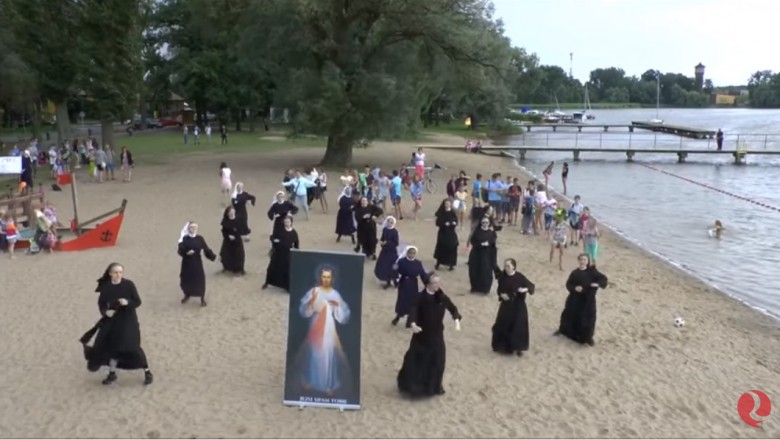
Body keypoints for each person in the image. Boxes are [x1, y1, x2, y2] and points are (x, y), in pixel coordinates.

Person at [85, 263, 153, 386]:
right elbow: (101, 304)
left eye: (121, 272)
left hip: (128, 320)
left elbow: (138, 302)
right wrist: (106, 312)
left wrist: (127, 302)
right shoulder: (106, 288)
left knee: (132, 346)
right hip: (112, 322)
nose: (119, 275)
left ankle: (147, 371)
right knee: (112, 347)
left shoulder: (129, 285)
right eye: (116, 272)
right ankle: (112, 374)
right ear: (110, 273)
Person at [290, 266, 353, 396]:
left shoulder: (335, 294)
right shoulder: (314, 291)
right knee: (315, 352)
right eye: (324, 277)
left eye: (328, 277)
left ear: (332, 279)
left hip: (329, 327)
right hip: (315, 325)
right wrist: (311, 302)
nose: (326, 279)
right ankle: (311, 380)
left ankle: (327, 384)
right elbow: (304, 311)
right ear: (320, 277)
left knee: (328, 352)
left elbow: (343, 315)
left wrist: (338, 306)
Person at [397, 274, 461, 398]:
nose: (437, 285)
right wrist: (413, 323)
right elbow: (413, 310)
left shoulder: (441, 296)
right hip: (422, 336)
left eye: (438, 282)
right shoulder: (420, 297)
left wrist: (456, 319)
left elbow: (452, 308)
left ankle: (434, 386)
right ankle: (414, 387)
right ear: (427, 284)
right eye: (434, 283)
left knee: (437, 361)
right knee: (417, 360)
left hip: (437, 334)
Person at [555, 253, 609, 346]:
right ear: (578, 261)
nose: (583, 261)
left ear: (587, 261)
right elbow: (568, 284)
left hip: (588, 299)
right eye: (581, 260)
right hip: (575, 298)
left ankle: (588, 338)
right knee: (569, 314)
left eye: (585, 260)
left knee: (588, 318)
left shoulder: (592, 271)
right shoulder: (575, 272)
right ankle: (564, 331)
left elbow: (603, 279)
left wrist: (597, 284)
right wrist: (575, 288)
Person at [491, 259, 535, 357]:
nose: (506, 268)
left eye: (508, 266)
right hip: (506, 305)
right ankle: (502, 346)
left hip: (518, 306)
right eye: (505, 266)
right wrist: (501, 295)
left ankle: (519, 348)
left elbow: (531, 286)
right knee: (502, 324)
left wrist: (524, 289)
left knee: (518, 326)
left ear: (513, 267)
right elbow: (499, 289)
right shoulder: (503, 277)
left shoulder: (520, 277)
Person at [177, 222, 217, 307]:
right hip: (187, 263)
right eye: (191, 227)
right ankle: (187, 294)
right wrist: (186, 253)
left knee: (200, 280)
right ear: (188, 229)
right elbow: (180, 250)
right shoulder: (185, 239)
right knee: (186, 279)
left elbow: (206, 249)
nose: (193, 229)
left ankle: (202, 298)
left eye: (195, 227)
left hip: (197, 262)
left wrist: (213, 257)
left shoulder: (200, 238)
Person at [393, 246, 429, 326]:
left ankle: (409, 320)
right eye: (410, 253)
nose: (411, 255)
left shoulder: (418, 263)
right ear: (407, 252)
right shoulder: (401, 261)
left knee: (412, 302)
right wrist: (396, 280)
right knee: (402, 301)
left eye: (413, 253)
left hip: (413, 284)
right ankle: (398, 317)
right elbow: (394, 270)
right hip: (404, 284)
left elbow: (422, 274)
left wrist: (427, 283)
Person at [262, 216, 300, 291]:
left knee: (287, 270)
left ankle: (287, 287)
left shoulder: (294, 232)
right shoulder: (280, 230)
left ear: (291, 222)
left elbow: (296, 243)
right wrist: (274, 240)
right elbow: (272, 237)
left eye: (288, 222)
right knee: (272, 268)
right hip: (278, 253)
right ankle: (268, 282)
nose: (287, 223)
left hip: (287, 254)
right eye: (285, 222)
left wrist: (295, 252)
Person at [468, 217, 498, 294]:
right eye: (483, 222)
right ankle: (475, 288)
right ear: (481, 223)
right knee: (475, 271)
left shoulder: (491, 233)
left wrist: (488, 244)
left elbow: (493, 243)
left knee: (486, 272)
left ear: (489, 223)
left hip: (487, 255)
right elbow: (473, 241)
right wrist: (480, 244)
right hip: (477, 254)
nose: (485, 224)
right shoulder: (477, 232)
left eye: (486, 222)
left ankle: (485, 289)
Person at [374, 216, 400, 289]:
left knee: (393, 266)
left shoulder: (395, 232)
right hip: (385, 251)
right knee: (385, 266)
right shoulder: (385, 230)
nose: (390, 223)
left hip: (392, 252)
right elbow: (382, 238)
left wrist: (387, 243)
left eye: (391, 222)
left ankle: (395, 281)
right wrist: (382, 243)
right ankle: (388, 281)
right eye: (389, 222)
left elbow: (396, 243)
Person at [433, 199, 459, 270]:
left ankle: (451, 264)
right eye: (446, 203)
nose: (447, 205)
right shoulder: (441, 212)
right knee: (441, 247)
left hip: (451, 232)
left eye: (448, 203)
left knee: (452, 247)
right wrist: (444, 224)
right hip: (443, 232)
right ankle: (438, 263)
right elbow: (437, 222)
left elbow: (456, 220)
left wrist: (454, 223)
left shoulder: (452, 212)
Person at [219, 206, 245, 275]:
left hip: (237, 241)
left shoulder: (239, 220)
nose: (231, 213)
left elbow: (241, 230)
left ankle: (238, 269)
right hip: (228, 241)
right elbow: (223, 231)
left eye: (232, 211)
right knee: (226, 255)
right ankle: (227, 268)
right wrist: (228, 236)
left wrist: (235, 236)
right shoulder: (225, 221)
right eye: (230, 212)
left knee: (238, 255)